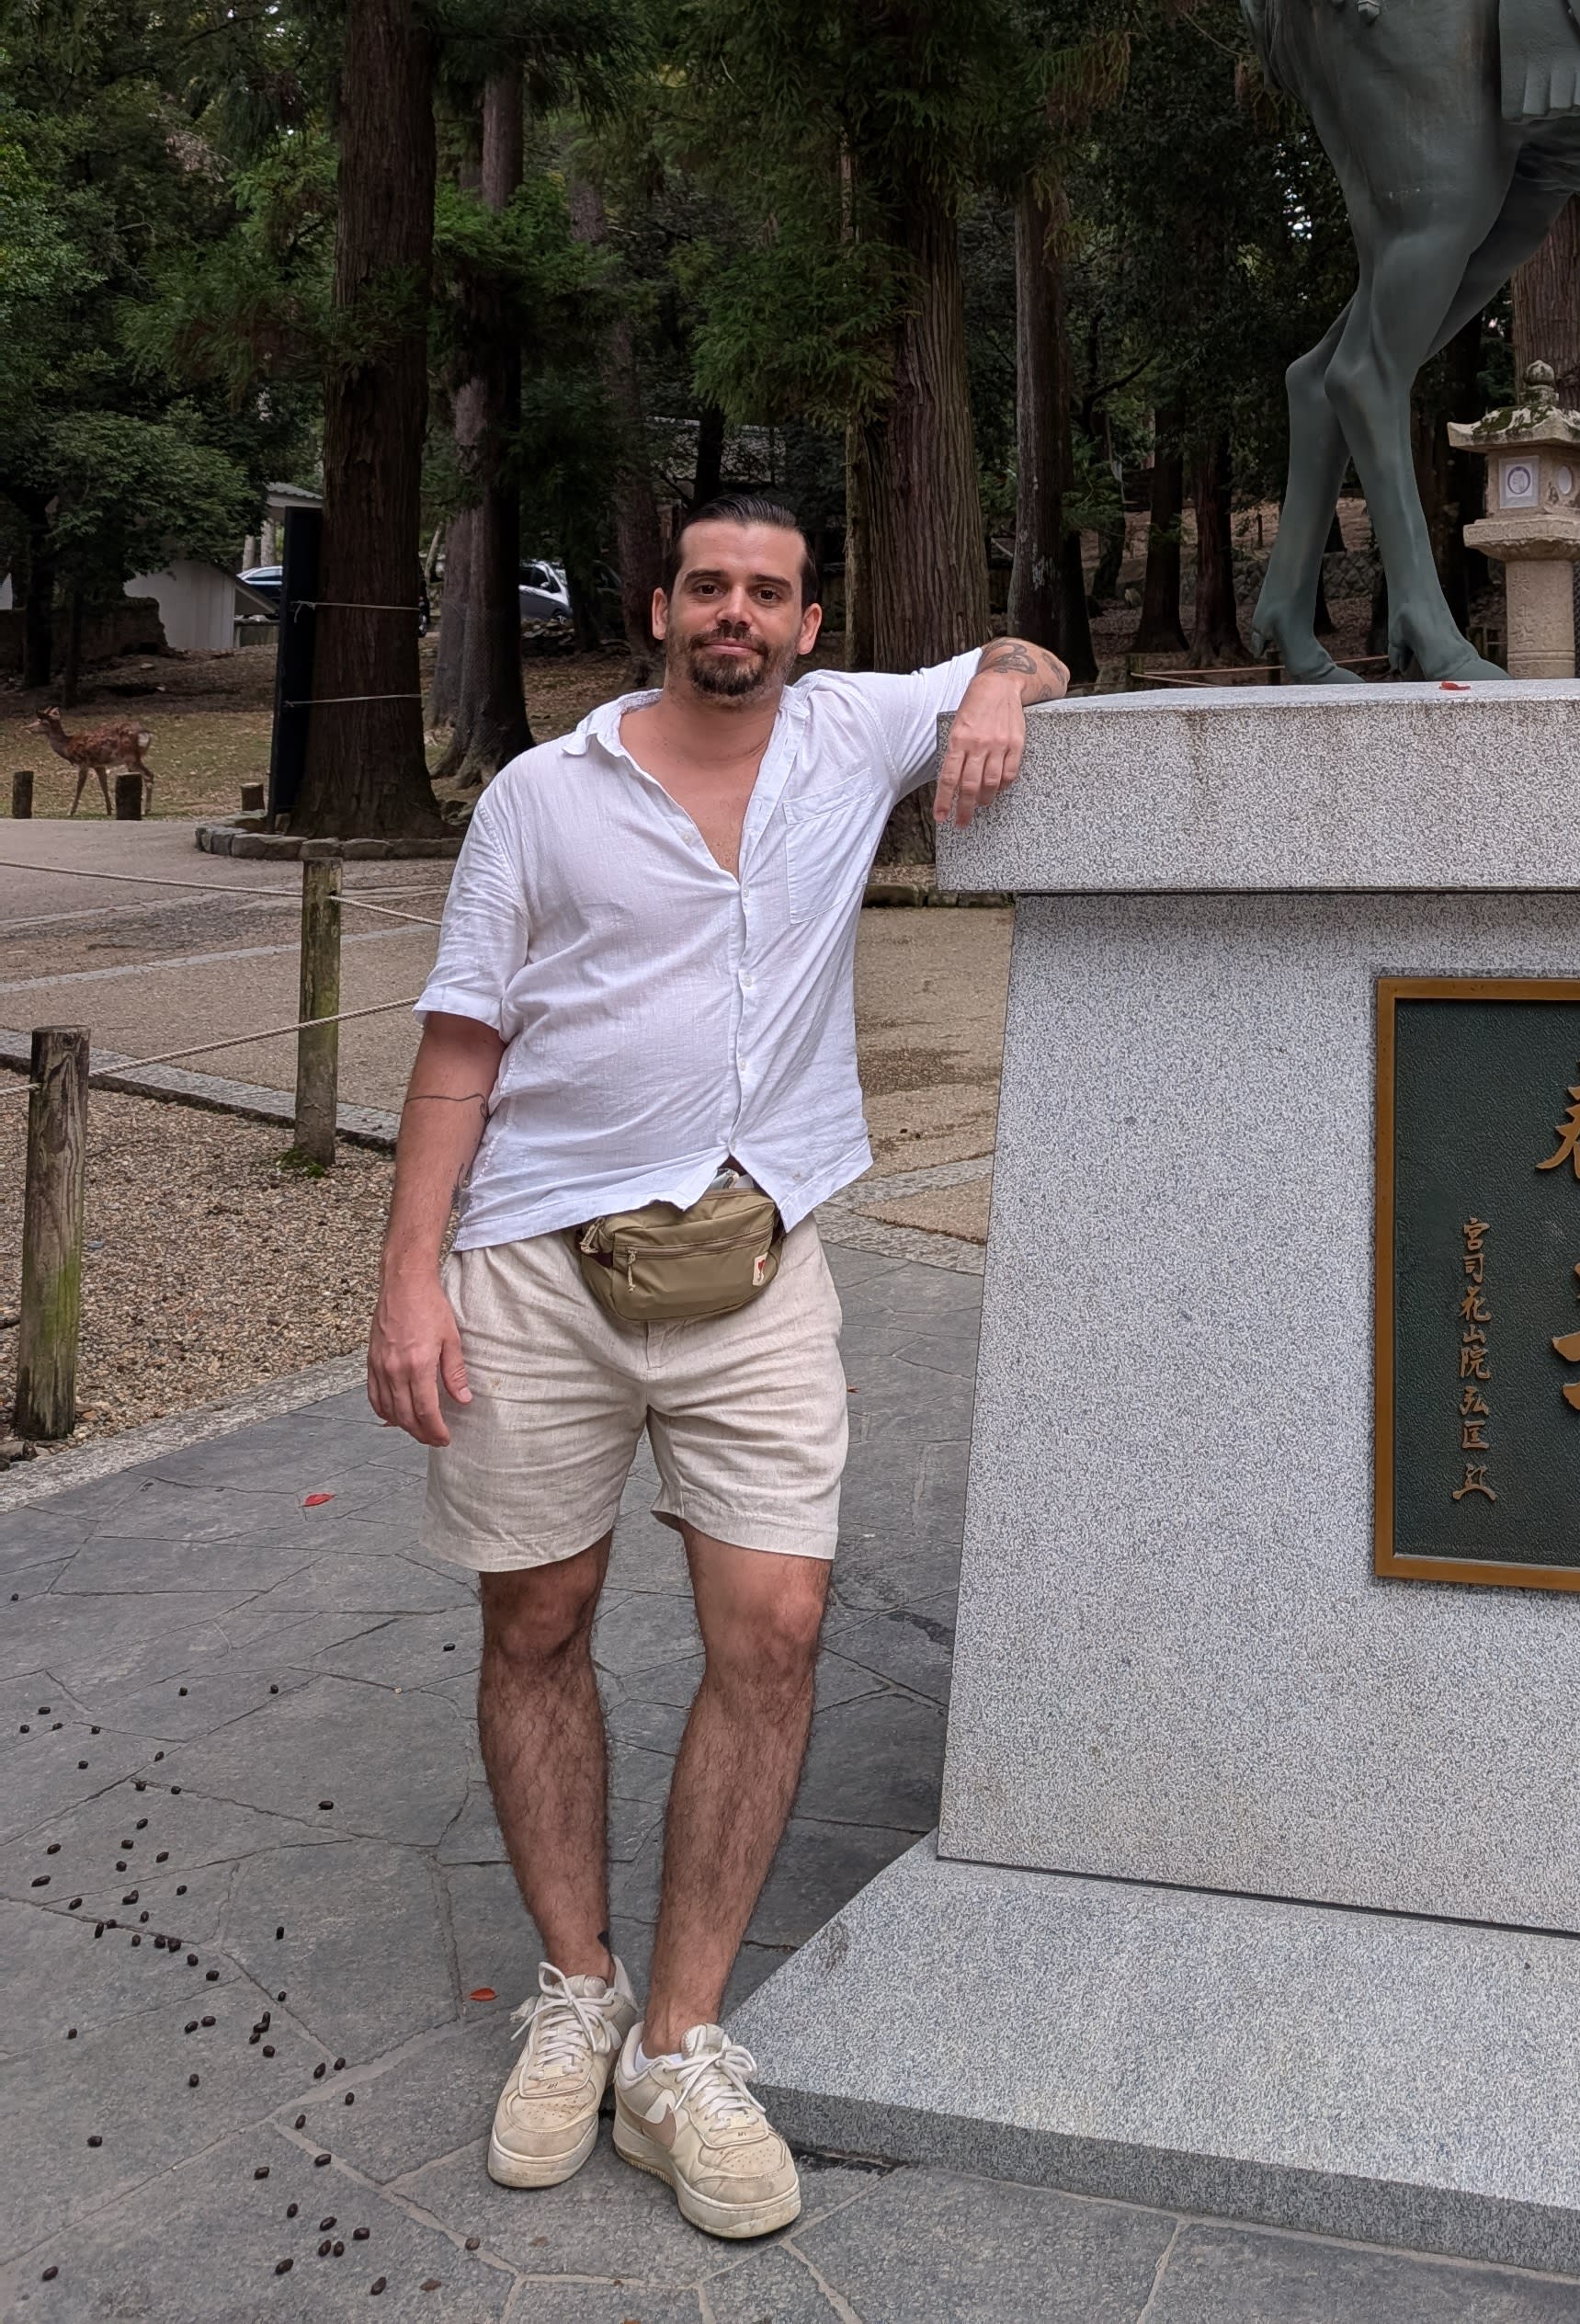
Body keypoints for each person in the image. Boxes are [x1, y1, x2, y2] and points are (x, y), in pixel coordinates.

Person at [364, 503, 1067, 2243]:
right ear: (658, 608)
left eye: (766, 591)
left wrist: (993, 682)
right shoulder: (544, 793)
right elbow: (462, 1043)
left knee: (773, 1628)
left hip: (758, 1262)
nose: (733, 614)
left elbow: (1040, 656)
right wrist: (407, 1283)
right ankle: (576, 1988)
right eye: (706, 587)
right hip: (535, 1258)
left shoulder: (849, 732)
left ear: (811, 621)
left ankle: (681, 2040)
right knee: (537, 1618)